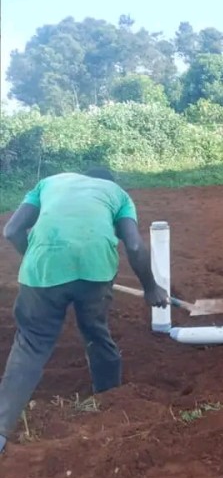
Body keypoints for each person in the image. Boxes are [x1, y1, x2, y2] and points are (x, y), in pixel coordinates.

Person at [0, 168, 168, 454]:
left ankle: (1, 430)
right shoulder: (118, 194)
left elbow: (12, 231)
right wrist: (151, 288)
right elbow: (136, 246)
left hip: (43, 268)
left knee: (31, 344)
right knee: (95, 331)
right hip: (96, 269)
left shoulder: (49, 182)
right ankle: (110, 403)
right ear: (109, 183)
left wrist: (36, 258)